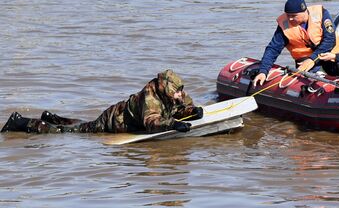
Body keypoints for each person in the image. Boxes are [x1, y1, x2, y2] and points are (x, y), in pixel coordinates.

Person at [1, 69, 203, 134]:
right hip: (112, 122)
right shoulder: (150, 97)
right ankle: (19, 122)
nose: (181, 95)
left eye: (181, 91)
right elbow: (152, 122)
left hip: (117, 114)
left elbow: (183, 107)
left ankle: (52, 117)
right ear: (167, 89)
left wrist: (193, 111)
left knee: (82, 125)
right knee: (70, 133)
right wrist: (174, 125)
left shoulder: (172, 94)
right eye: (177, 92)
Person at [253, 0, 339, 86]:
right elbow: (273, 49)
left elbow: (329, 40)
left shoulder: (321, 14)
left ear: (304, 11)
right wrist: (263, 71)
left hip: (331, 55)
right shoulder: (284, 24)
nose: (290, 19)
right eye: (288, 15)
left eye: (294, 16)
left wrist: (312, 59)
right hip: (304, 63)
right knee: (312, 81)